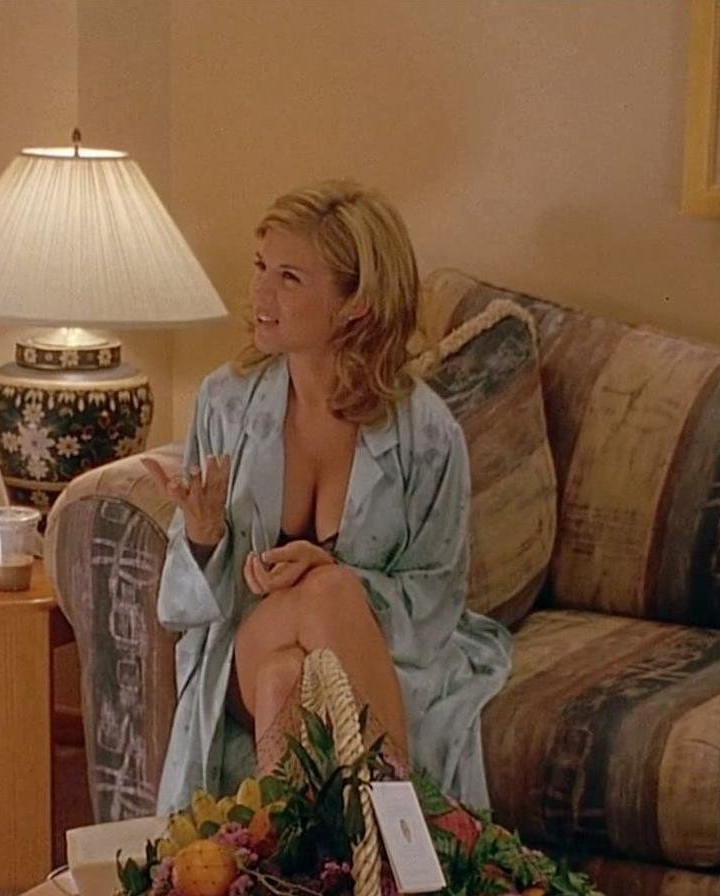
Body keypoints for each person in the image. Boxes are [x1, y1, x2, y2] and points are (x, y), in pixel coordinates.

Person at [145, 179, 513, 817]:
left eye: (289, 277)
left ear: (357, 303)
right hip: (244, 643)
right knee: (327, 594)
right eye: (261, 266)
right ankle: (408, 838)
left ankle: (295, 866)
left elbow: (436, 597)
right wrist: (204, 537)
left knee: (288, 675)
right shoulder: (226, 402)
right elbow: (187, 609)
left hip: (370, 654)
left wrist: (336, 577)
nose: (260, 293)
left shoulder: (426, 434)